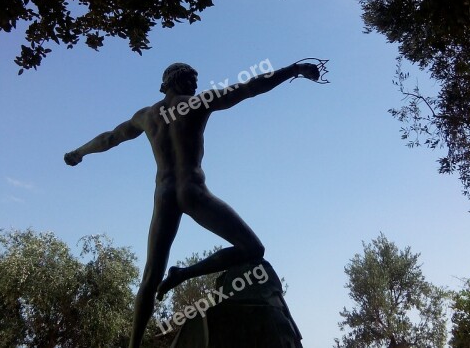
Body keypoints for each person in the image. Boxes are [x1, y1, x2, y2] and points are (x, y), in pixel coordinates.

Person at [64, 60, 320, 347]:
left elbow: (110, 137)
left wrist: (79, 152)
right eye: (189, 78)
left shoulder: (147, 116)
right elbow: (249, 88)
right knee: (253, 248)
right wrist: (293, 70)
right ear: (173, 80)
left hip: (164, 195)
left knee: (151, 275)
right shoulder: (198, 103)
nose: (195, 84)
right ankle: (183, 273)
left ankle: (134, 345)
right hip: (192, 191)